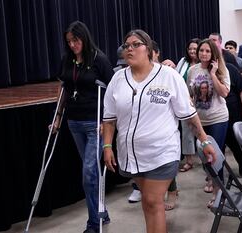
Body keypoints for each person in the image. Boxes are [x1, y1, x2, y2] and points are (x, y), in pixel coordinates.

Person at [102, 29, 216, 233]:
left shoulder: (168, 76)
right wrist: (107, 145)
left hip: (163, 152)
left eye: (136, 44)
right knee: (148, 202)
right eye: (127, 45)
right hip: (131, 154)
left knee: (153, 201)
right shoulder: (118, 80)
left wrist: (204, 140)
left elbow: (189, 113)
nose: (130, 49)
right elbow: (109, 119)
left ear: (149, 49)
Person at [51, 21, 114, 233]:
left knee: (89, 173)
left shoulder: (100, 59)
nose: (72, 45)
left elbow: (112, 92)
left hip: (94, 123)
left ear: (84, 38)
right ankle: (101, 212)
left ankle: (93, 224)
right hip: (74, 122)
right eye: (69, 42)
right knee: (92, 173)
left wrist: (106, 122)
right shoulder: (67, 60)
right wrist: (58, 117)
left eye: (75, 41)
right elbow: (65, 90)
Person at [187, 38, 230, 207]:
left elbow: (224, 93)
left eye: (207, 51)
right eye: (201, 51)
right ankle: (213, 180)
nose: (204, 54)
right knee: (205, 156)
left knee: (215, 156)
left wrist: (213, 74)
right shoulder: (192, 70)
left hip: (218, 118)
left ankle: (218, 193)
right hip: (200, 120)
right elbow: (190, 93)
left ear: (213, 53)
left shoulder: (221, 70)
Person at [176, 38, 201, 173]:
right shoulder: (183, 62)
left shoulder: (204, 64)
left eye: (194, 49)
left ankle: (206, 158)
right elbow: (176, 76)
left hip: (202, 102)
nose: (192, 51)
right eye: (190, 48)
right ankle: (189, 160)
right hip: (184, 102)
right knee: (186, 132)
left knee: (202, 131)